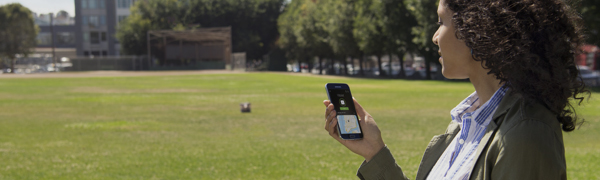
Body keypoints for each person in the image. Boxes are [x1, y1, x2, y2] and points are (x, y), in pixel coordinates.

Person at [323, 0, 588, 179]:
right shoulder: (467, 122)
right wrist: (375, 151)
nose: (435, 37)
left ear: (477, 28)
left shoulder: (526, 134)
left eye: (441, 21)